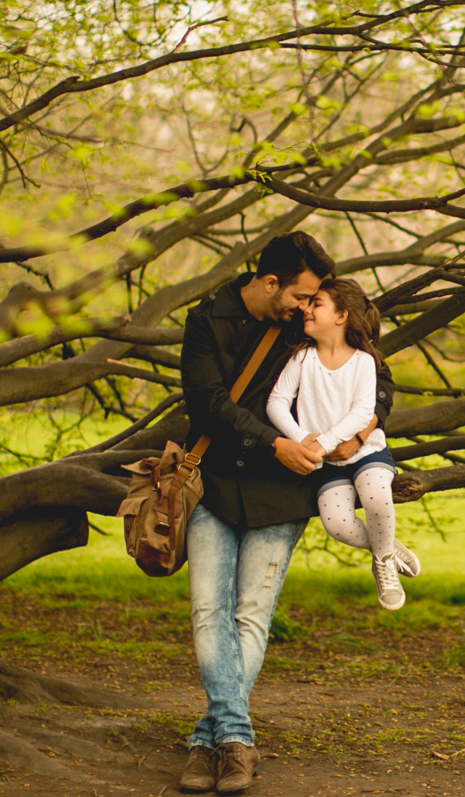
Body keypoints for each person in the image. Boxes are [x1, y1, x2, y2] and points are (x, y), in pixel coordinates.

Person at [177, 233, 396, 795]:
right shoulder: (207, 322)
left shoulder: (311, 329)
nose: (308, 307)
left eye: (314, 300)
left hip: (283, 493)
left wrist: (360, 433)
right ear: (271, 284)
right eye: (301, 297)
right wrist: (275, 443)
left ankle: (209, 743)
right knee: (208, 611)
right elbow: (208, 405)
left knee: (252, 614)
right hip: (216, 484)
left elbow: (378, 381)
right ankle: (234, 737)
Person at [266, 277, 419, 612]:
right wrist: (300, 437)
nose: (306, 308)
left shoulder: (364, 361)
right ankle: (388, 547)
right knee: (336, 525)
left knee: (377, 498)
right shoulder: (302, 358)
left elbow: (363, 411)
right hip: (326, 464)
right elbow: (276, 401)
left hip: (367, 453)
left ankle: (382, 566)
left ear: (341, 316)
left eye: (316, 304)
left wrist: (324, 442)